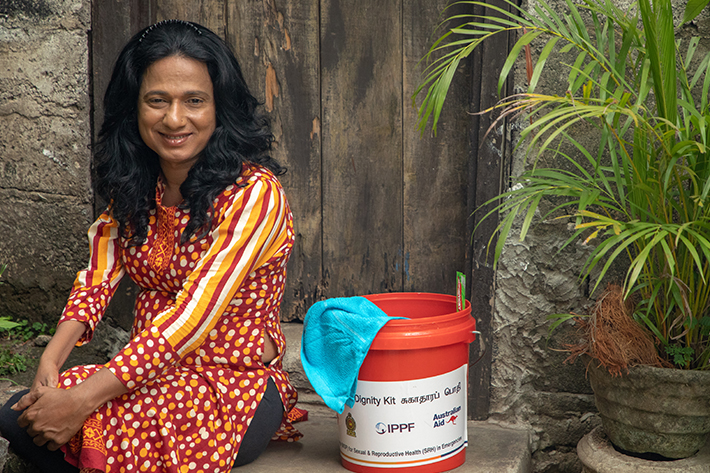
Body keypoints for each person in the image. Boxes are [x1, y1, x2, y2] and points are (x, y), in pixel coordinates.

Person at [0, 19, 301, 472]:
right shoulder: (138, 184)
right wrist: (51, 359)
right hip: (146, 372)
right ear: (134, 108)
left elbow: (192, 318)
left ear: (220, 107)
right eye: (157, 101)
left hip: (232, 386)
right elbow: (98, 278)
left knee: (54, 430)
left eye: (194, 101)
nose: (175, 119)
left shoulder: (254, 194)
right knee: (20, 412)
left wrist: (81, 399)